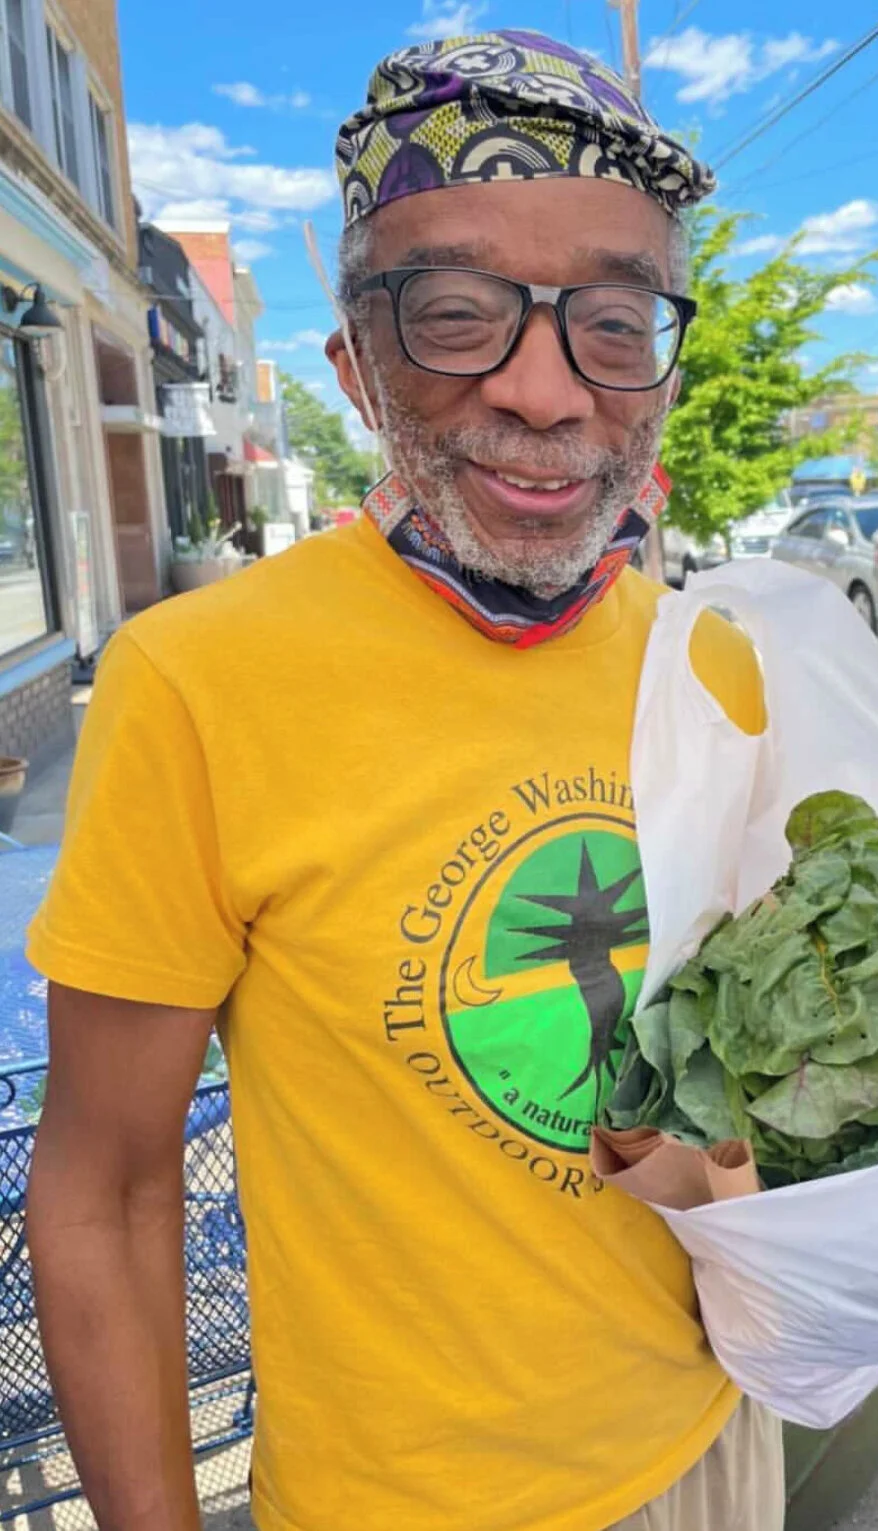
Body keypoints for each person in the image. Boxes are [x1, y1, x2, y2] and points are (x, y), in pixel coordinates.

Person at [24, 30, 782, 1531]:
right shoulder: (199, 683)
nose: (546, 391)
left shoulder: (719, 663)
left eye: (613, 323)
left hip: (712, 1447)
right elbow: (106, 1189)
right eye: (456, 316)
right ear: (357, 368)